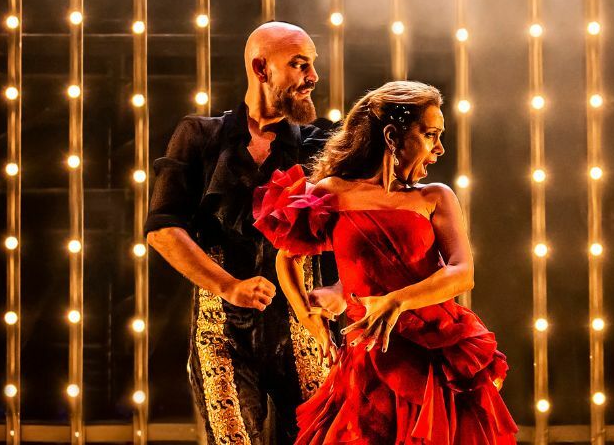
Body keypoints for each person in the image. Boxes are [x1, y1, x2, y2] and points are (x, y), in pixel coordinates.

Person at [253, 81, 518, 444]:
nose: (439, 148)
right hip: (367, 362)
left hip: (436, 357)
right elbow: (288, 257)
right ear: (392, 136)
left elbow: (462, 272)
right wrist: (309, 318)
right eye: (430, 135)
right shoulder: (331, 192)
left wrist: (396, 300)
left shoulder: (435, 197)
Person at [145, 22, 343, 444]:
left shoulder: (322, 140)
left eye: (312, 64)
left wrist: (341, 288)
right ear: (260, 67)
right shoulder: (200, 135)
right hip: (221, 335)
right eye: (299, 64)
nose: (313, 77)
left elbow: (367, 225)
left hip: (305, 326)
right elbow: (162, 230)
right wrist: (229, 286)